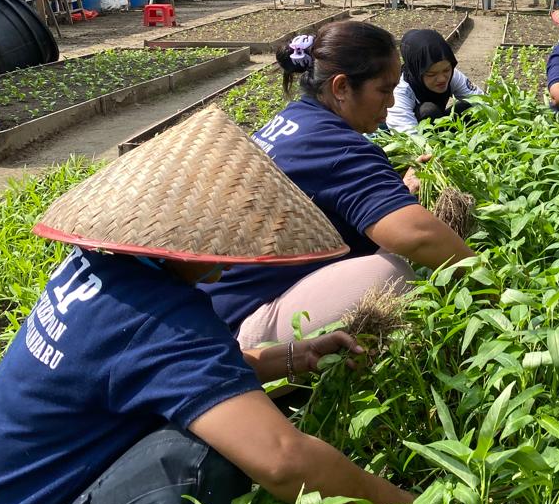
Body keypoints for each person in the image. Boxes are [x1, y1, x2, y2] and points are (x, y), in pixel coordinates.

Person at [0, 107, 414, 504]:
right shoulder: (160, 317)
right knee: (197, 458)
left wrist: (294, 356)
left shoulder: (96, 269)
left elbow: (159, 374)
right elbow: (283, 461)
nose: (230, 260)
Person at [203, 20, 474, 346]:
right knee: (388, 277)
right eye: (384, 90)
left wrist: (395, 189)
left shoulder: (296, 119)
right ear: (341, 87)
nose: (390, 104)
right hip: (236, 332)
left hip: (210, 306)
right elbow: (416, 237)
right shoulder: (335, 145)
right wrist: (490, 282)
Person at [386, 29, 483, 133]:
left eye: (446, 70)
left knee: (470, 106)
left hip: (437, 124)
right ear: (416, 71)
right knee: (428, 111)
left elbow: (481, 100)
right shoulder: (401, 90)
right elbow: (407, 136)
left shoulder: (453, 75)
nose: (442, 78)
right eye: (431, 74)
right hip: (415, 129)